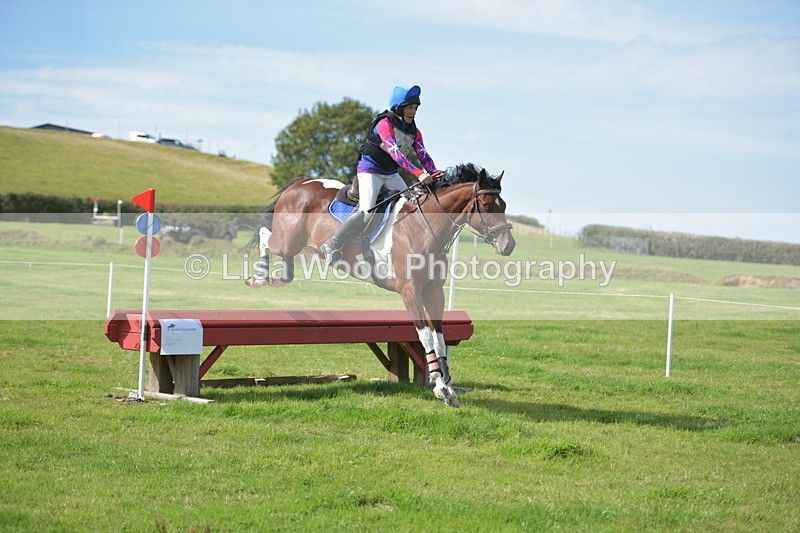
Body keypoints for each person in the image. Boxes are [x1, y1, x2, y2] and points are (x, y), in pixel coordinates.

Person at [320, 85, 442, 263]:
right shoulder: (384, 124)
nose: (414, 111)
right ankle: (332, 243)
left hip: (391, 174)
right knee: (367, 210)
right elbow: (396, 154)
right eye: (410, 107)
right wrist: (419, 174)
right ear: (399, 108)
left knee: (410, 206)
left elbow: (423, 154)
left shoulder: (414, 131)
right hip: (370, 172)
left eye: (416, 108)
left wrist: (434, 173)